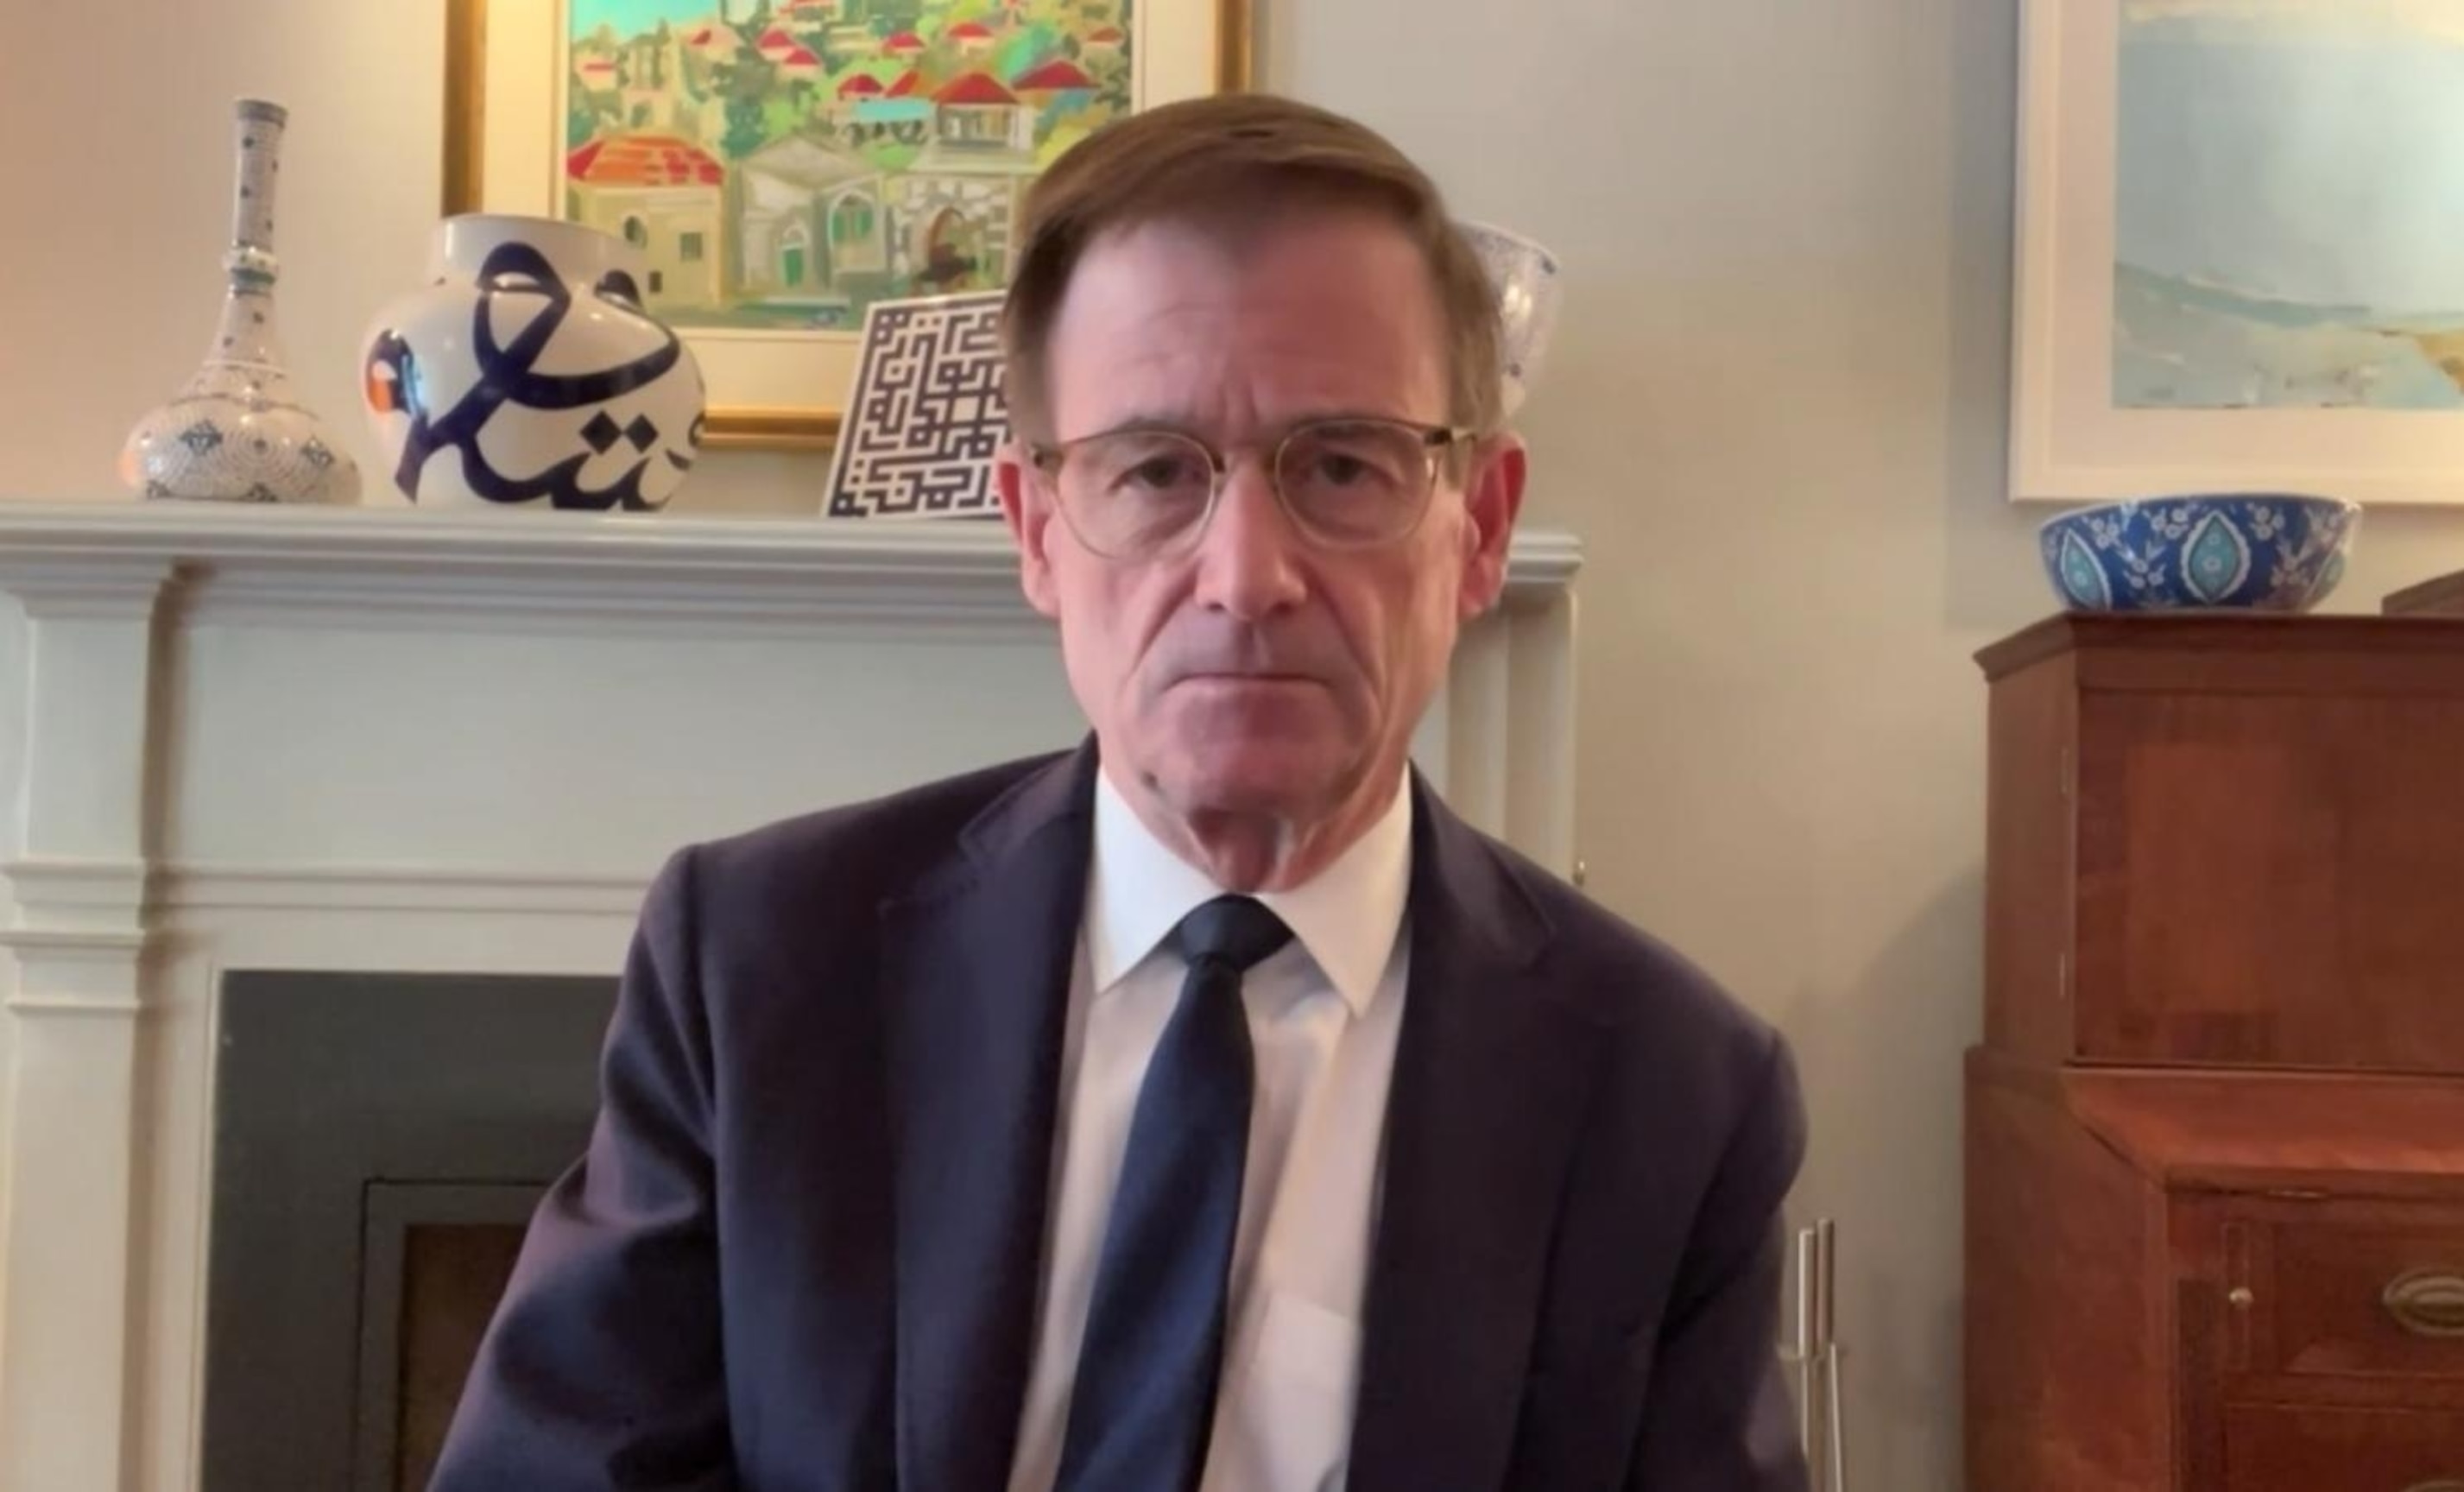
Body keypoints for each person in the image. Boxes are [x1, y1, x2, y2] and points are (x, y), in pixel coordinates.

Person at [433, 92, 1809, 1492]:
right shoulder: (760, 963)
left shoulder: (1671, 1091)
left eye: (1344, 465)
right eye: (1154, 471)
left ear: (1483, 530)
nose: (1246, 577)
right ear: (1037, 532)